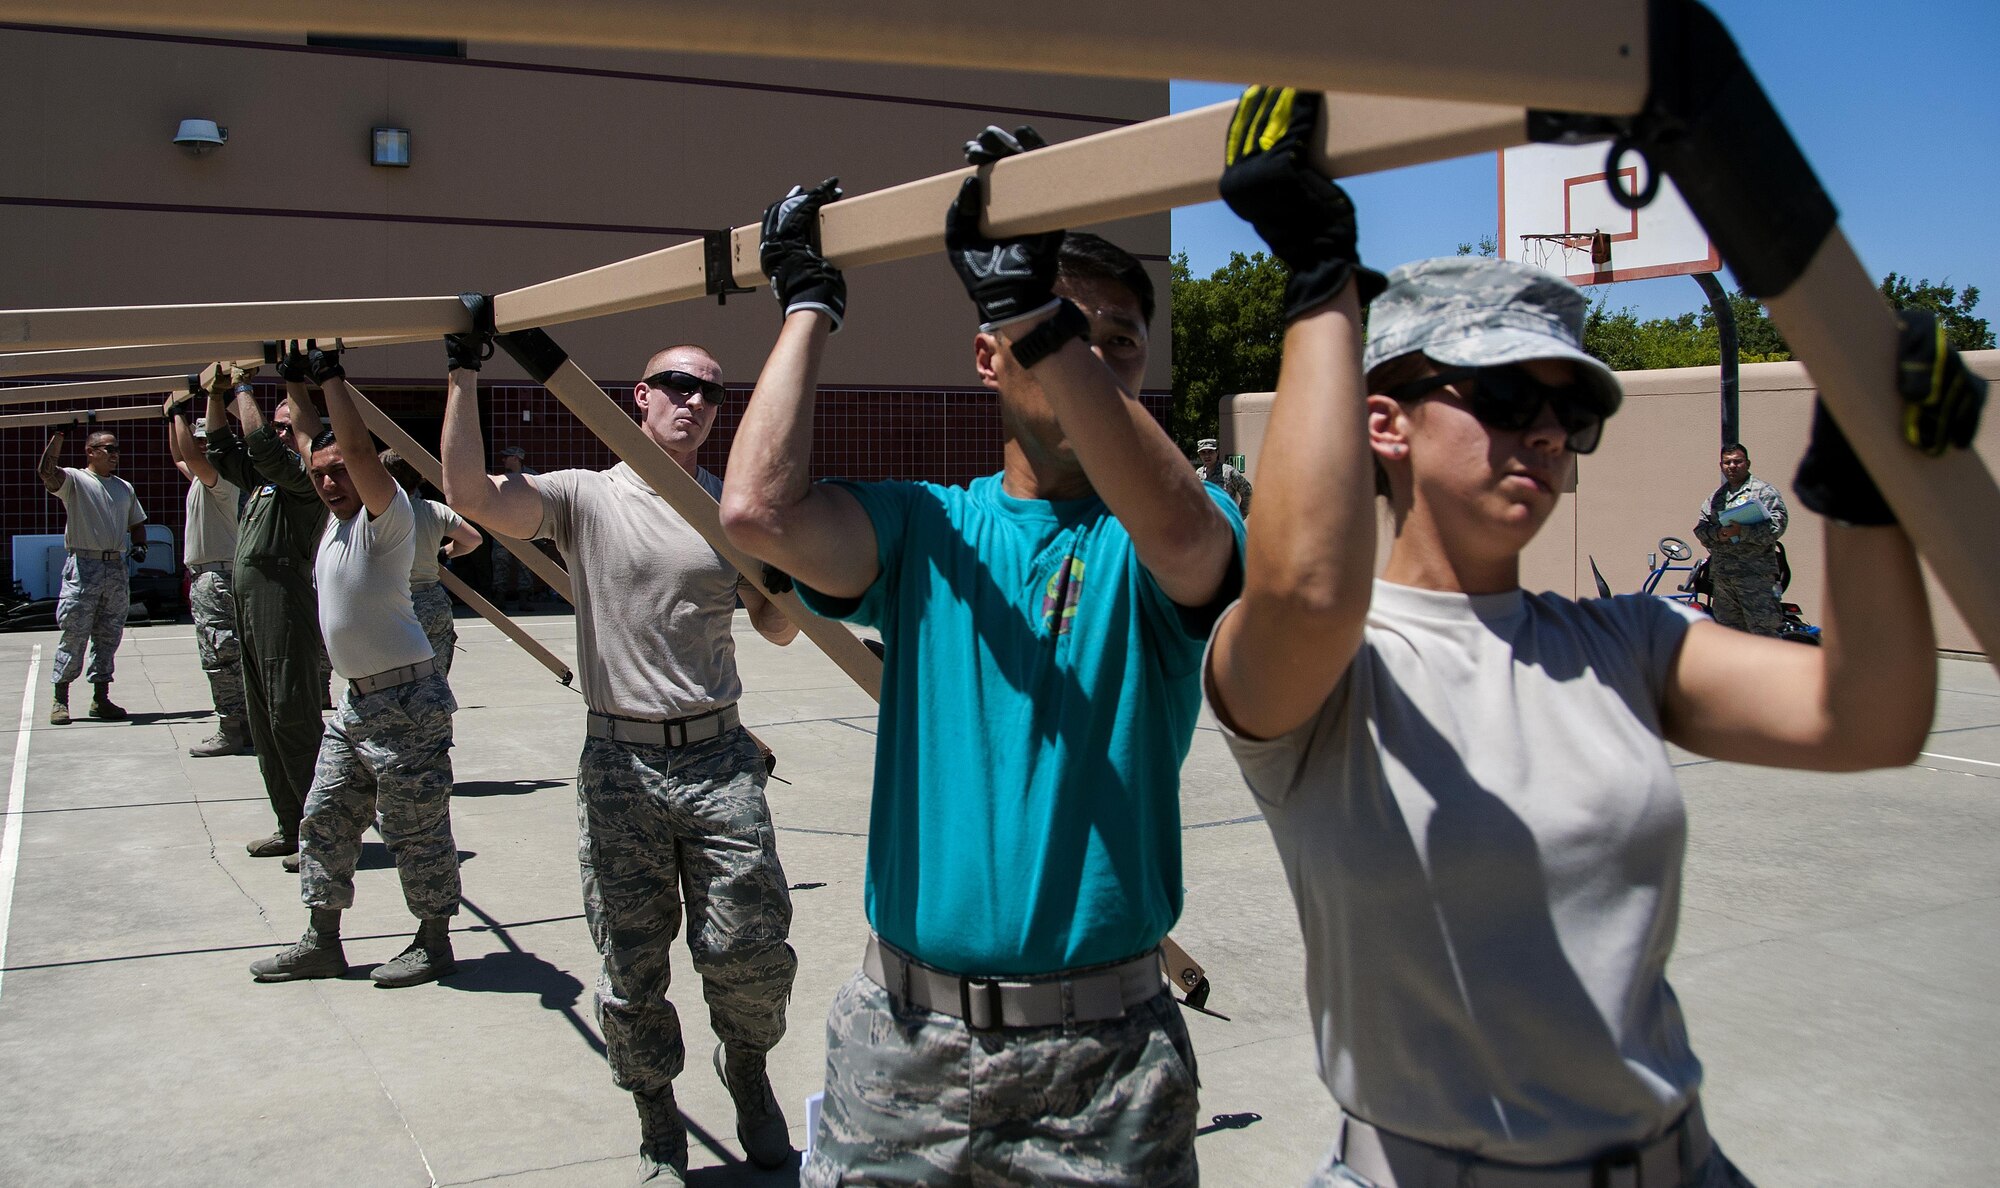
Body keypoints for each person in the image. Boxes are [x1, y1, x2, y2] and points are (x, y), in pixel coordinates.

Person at [1202, 87, 1938, 1188]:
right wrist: (1317, 278)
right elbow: (1306, 589)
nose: (1544, 432)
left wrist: (1867, 492)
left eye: (1570, 409)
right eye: (1502, 396)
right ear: (1383, 422)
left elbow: (1868, 717)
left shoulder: (1628, 642)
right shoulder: (1327, 673)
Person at [721, 131, 1244, 1187]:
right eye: (1060, 329)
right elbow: (758, 513)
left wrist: (1040, 321)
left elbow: (1192, 549)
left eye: (1117, 343)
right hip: (903, 1041)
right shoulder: (928, 529)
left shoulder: (1158, 534)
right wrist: (808, 306)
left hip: (1101, 1056)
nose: (1090, 358)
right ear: (984, 356)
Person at [440, 319, 801, 1184]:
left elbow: (779, 630)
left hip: (718, 759)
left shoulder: (728, 512)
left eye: (712, 390)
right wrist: (461, 374)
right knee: (632, 965)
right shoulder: (584, 497)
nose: (696, 401)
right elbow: (474, 497)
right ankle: (656, 1122)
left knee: (751, 952)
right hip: (621, 765)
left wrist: (787, 575)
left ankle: (746, 1068)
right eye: (678, 383)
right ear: (639, 397)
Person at [249, 343, 463, 989]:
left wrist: (331, 377)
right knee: (325, 817)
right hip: (356, 704)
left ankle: (433, 941)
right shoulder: (332, 521)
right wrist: (293, 381)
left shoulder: (385, 518)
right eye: (320, 475)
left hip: (407, 703)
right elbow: (316, 443)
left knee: (415, 827)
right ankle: (322, 940)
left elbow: (354, 450)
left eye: (340, 472)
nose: (329, 481)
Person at [205, 360, 329, 863]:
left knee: (291, 717)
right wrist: (214, 394)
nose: (278, 433)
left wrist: (241, 387)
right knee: (263, 721)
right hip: (252, 606)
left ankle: (318, 832)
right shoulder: (261, 480)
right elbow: (220, 448)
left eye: (287, 426)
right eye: (274, 425)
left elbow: (257, 446)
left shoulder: (305, 475)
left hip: (282, 600)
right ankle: (290, 823)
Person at [37, 425, 146, 725]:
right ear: (91, 452)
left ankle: (101, 698)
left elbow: (136, 522)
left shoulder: (124, 487)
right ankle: (61, 699)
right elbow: (47, 472)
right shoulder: (75, 479)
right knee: (74, 633)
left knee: (108, 635)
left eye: (116, 449)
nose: (115, 454)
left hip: (114, 568)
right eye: (108, 449)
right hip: (84, 566)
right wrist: (58, 436)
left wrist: (140, 545)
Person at [165, 391, 251, 756]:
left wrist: (181, 413)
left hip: (218, 579)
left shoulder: (222, 478)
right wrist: (173, 418)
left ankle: (232, 728)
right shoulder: (206, 478)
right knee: (226, 655)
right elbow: (179, 456)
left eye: (205, 442)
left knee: (221, 657)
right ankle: (240, 725)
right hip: (209, 576)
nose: (198, 450)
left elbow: (191, 457)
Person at [381, 450, 482, 677]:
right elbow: (473, 539)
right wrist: (444, 552)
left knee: (397, 678)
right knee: (435, 679)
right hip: (433, 601)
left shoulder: (381, 513)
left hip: (398, 602)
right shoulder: (434, 509)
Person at [1693, 443, 1789, 635]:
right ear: (1721, 465)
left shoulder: (1763, 492)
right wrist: (1718, 534)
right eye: (1727, 462)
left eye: (1738, 461)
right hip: (1724, 580)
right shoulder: (1716, 498)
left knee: (1763, 634)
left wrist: (1741, 531)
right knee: (1731, 636)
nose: (1732, 466)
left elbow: (1777, 527)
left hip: (1755, 578)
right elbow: (1701, 529)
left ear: (1747, 463)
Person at [491, 445, 538, 608]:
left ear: (516, 458)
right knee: (500, 561)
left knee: (525, 563)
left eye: (507, 457)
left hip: (525, 528)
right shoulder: (501, 479)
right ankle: (499, 596)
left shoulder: (533, 477)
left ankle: (525, 598)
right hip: (504, 528)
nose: (503, 460)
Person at [1195, 437, 1253, 514]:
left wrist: (1238, 517)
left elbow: (1248, 493)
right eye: (1203, 453)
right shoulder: (1198, 473)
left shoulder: (1228, 472)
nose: (1207, 456)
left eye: (1210, 452)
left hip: (1225, 521)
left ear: (1217, 452)